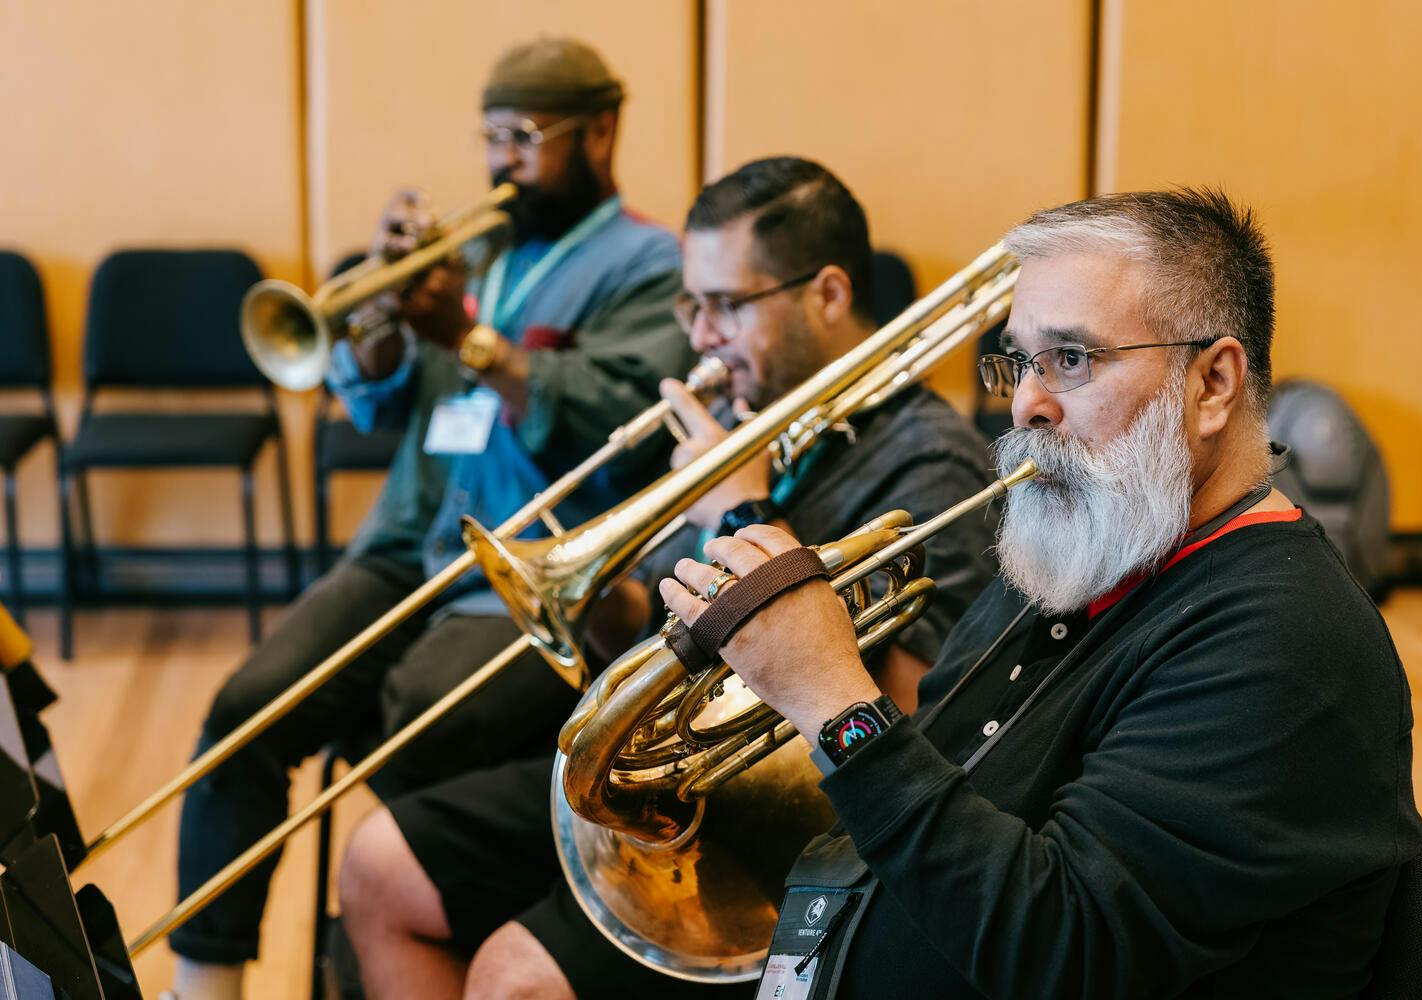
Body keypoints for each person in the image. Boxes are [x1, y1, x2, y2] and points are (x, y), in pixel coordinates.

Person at [657, 188, 1422, 998]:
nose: (1026, 401)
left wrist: (829, 694)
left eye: (1071, 359)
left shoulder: (1285, 639)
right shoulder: (1084, 548)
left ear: (1213, 384)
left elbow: (1070, 954)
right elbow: (943, 772)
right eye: (1018, 361)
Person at [336, 157, 1000, 999]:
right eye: (694, 304)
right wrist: (589, 598)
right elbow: (653, 628)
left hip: (784, 821)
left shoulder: (931, 459)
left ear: (828, 294)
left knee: (513, 980)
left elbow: (914, 706)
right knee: (376, 867)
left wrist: (744, 512)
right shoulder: (743, 417)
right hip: (674, 778)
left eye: (726, 305)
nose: (700, 335)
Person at [168, 37, 697, 999]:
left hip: (531, 569)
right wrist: (376, 331)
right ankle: (203, 982)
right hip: (409, 549)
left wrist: (469, 335)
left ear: (602, 132)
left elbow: (616, 413)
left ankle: (394, 930)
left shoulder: (650, 263)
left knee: (413, 716)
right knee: (245, 711)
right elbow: (370, 404)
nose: (501, 161)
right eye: (491, 137)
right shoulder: (476, 253)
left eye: (525, 138)